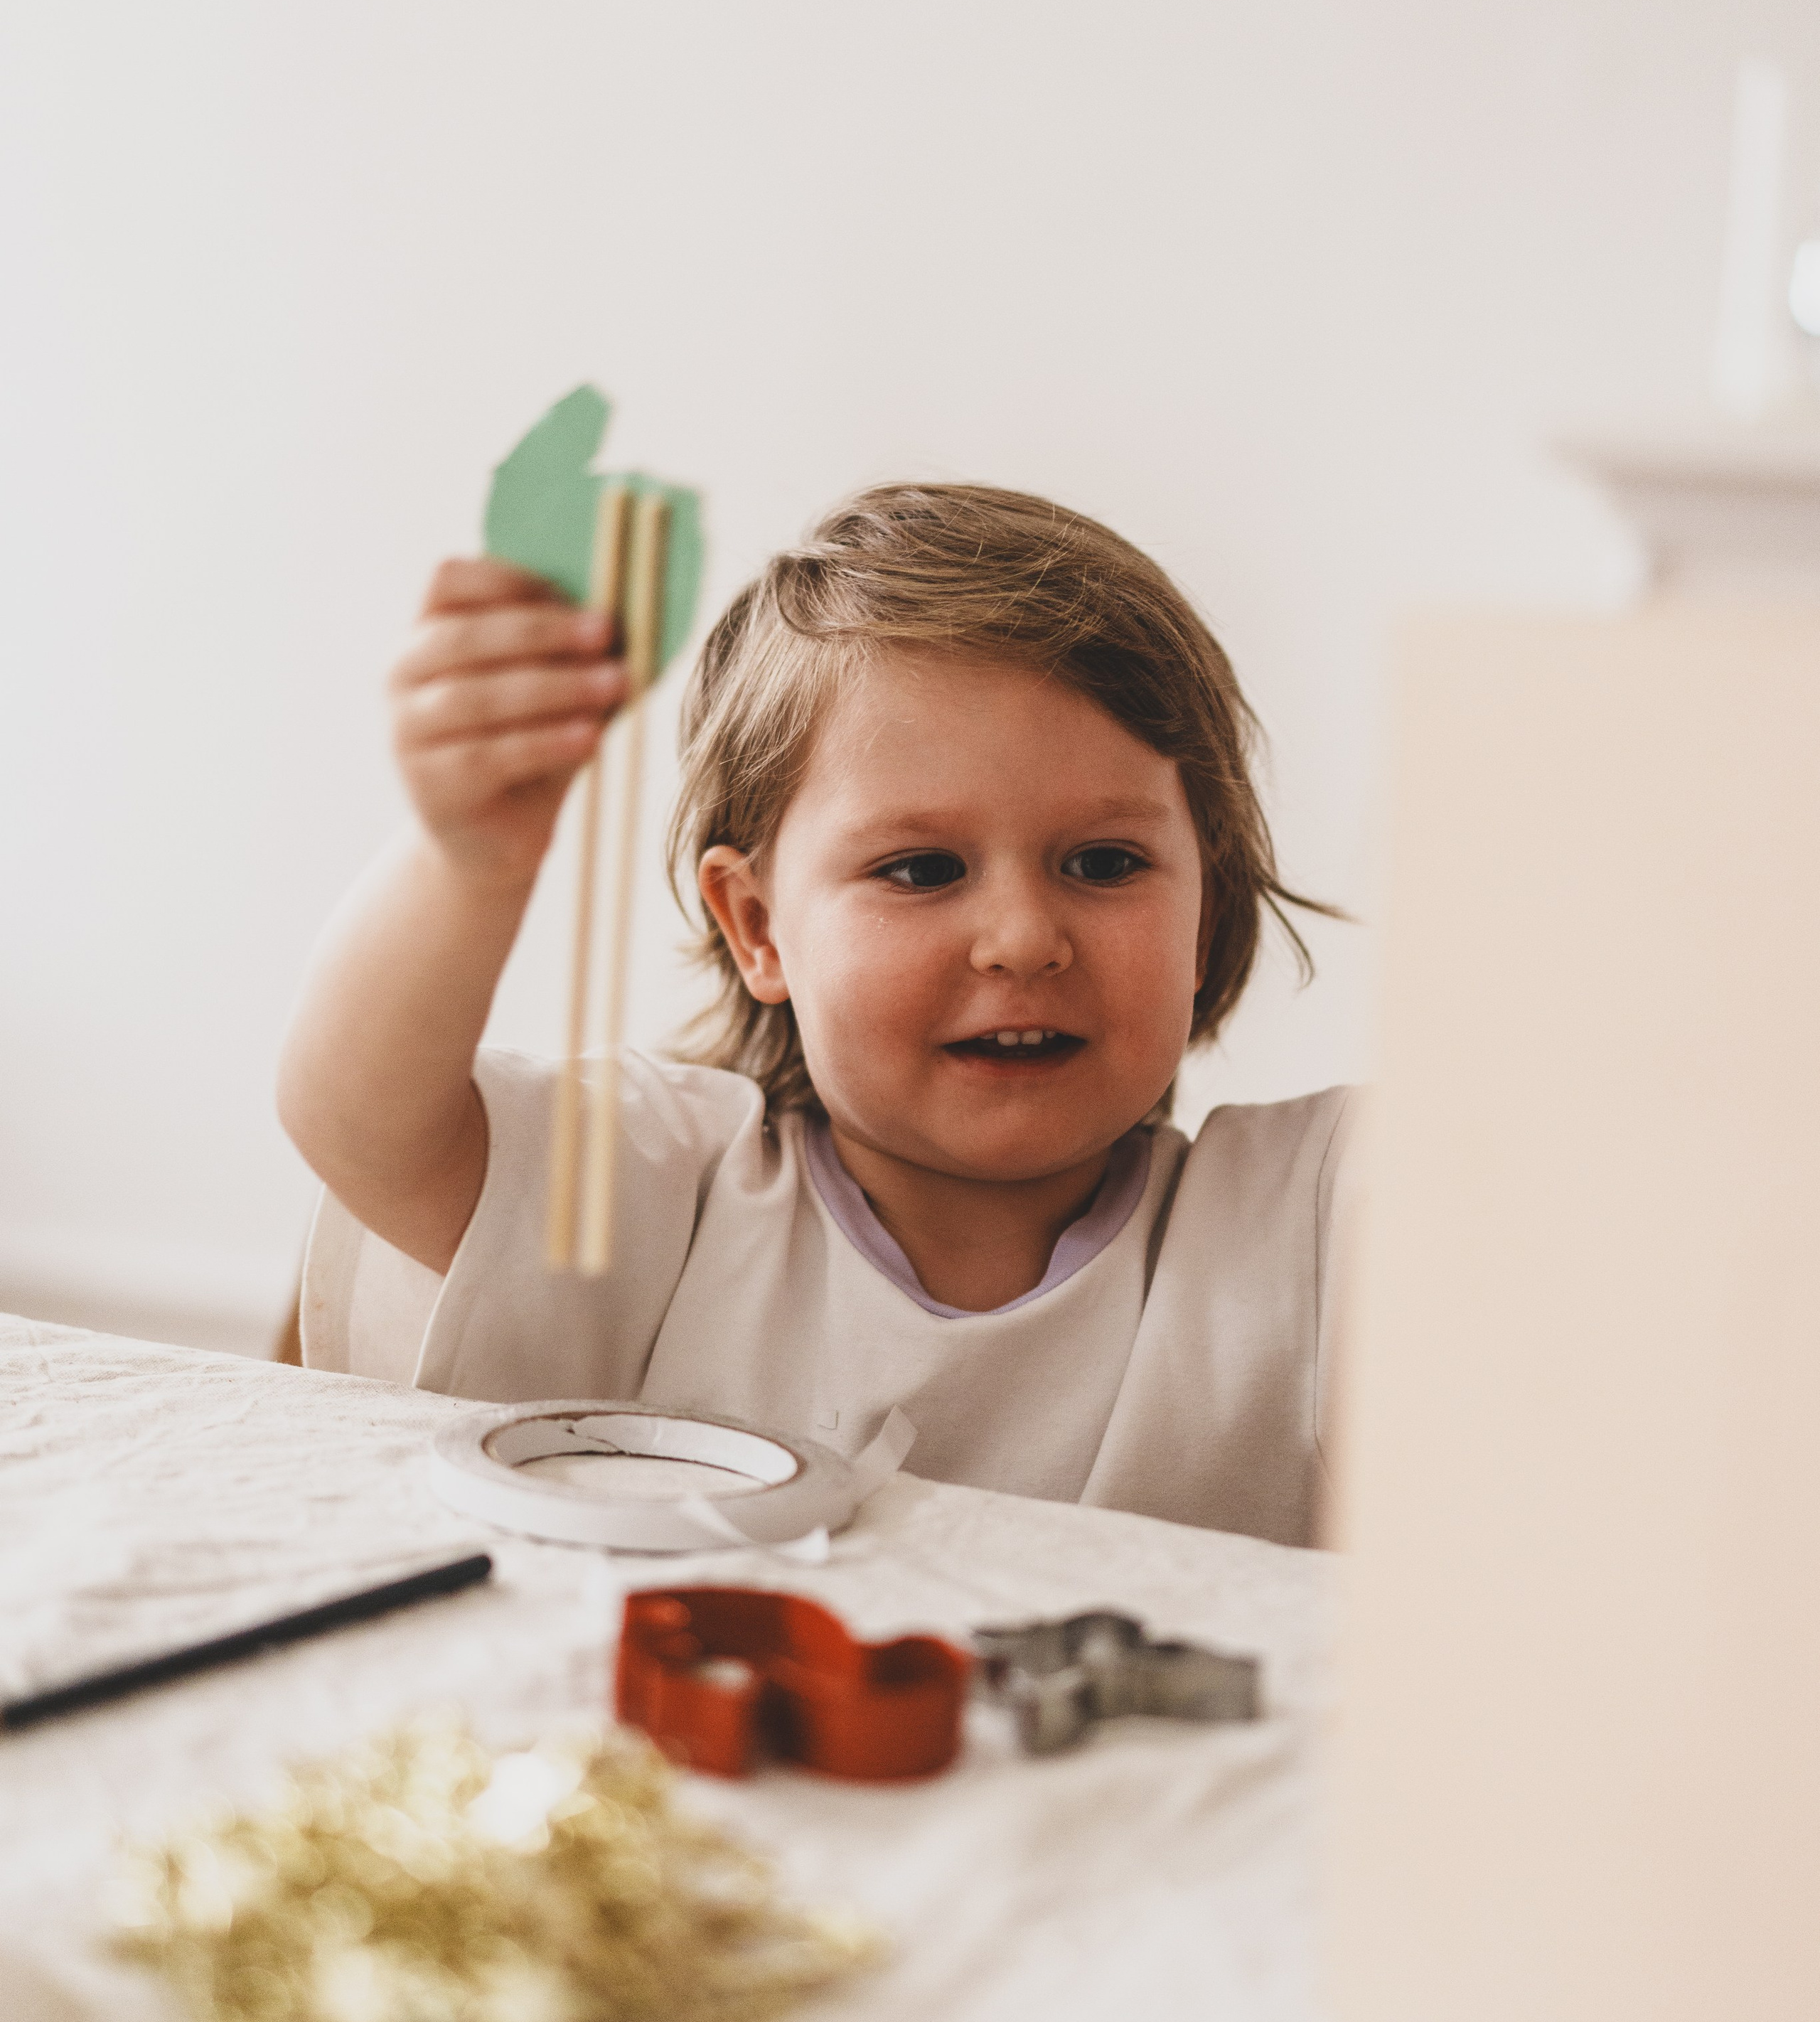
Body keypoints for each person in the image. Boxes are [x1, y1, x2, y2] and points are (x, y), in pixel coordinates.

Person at [279, 483, 1351, 1544]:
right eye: (924, 868)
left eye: (1106, 862)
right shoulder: (670, 1191)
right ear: (757, 928)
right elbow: (363, 1124)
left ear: (1204, 915)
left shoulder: (1300, 1218)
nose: (1024, 938)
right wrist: (464, 863)